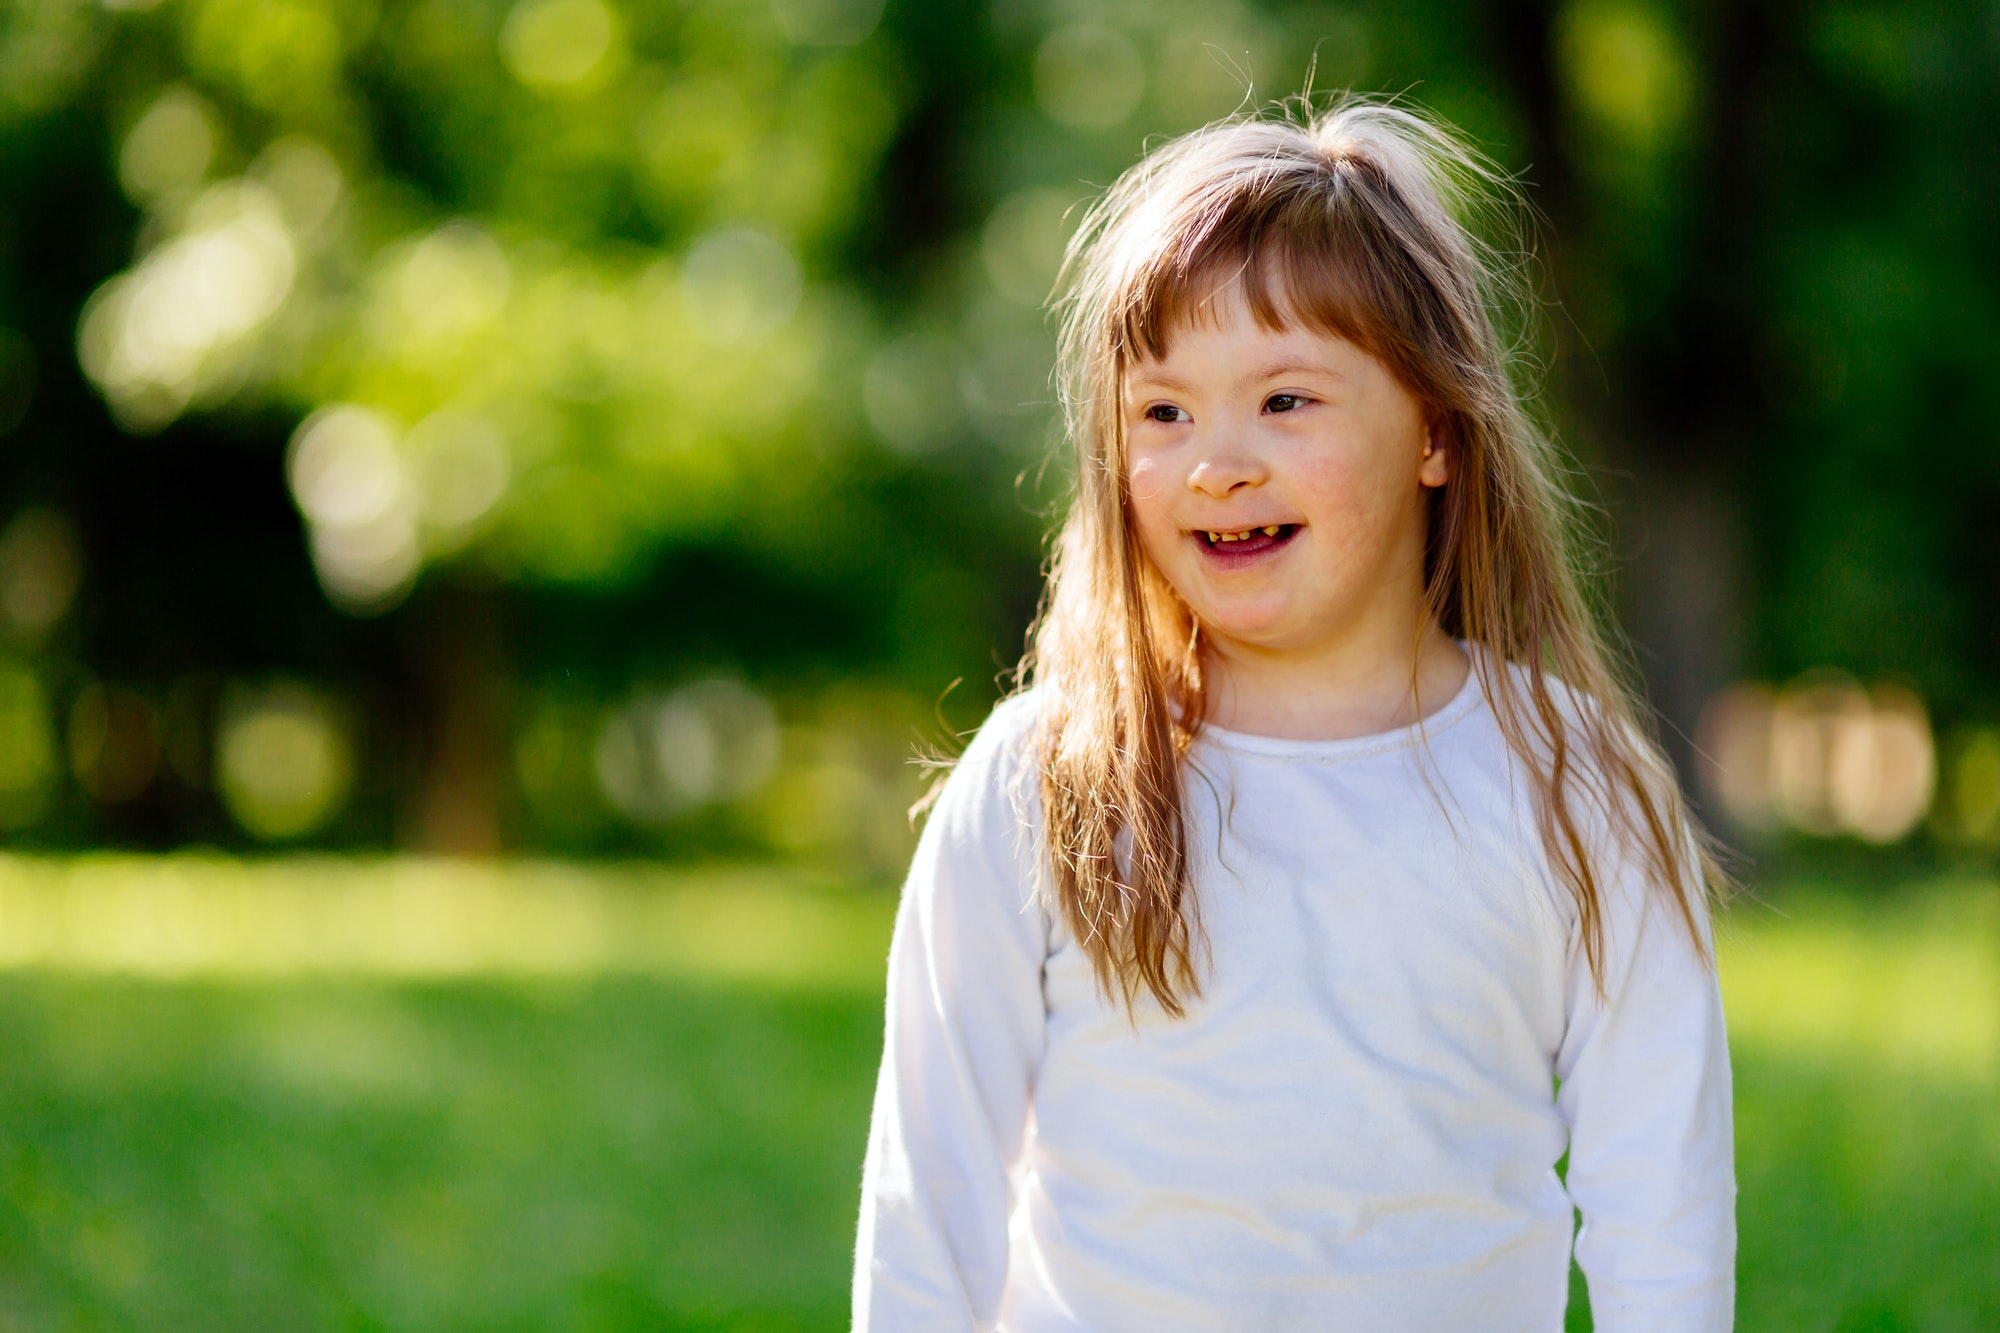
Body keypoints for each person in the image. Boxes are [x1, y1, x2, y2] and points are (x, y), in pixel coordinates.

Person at [852, 97, 1734, 1332]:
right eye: (1163, 411)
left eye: (1284, 401)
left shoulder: (1569, 781)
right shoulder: (1045, 781)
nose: (1217, 460)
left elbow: (1662, 1196)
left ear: (1433, 427)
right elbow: (928, 1199)